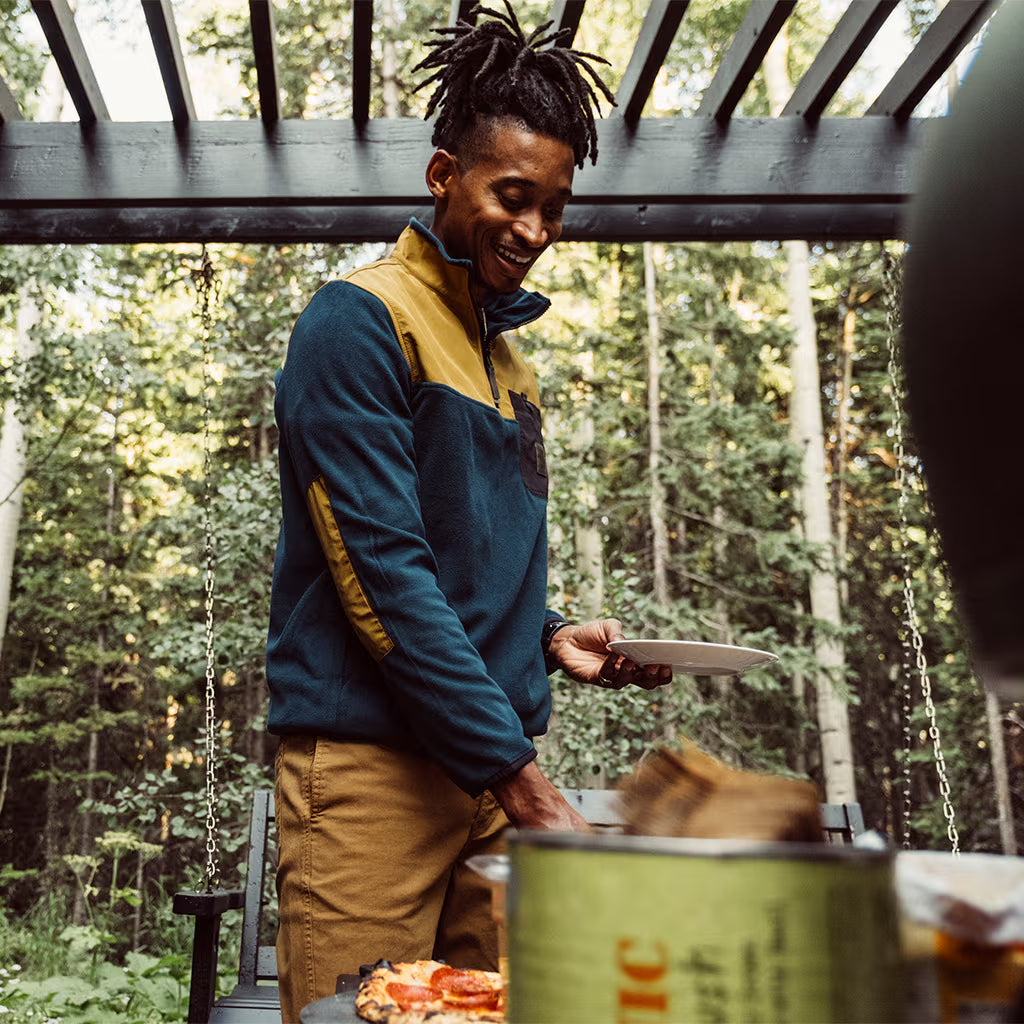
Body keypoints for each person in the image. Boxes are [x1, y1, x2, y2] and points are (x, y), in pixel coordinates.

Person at [265, 4, 672, 1018]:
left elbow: (471, 565)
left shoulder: (510, 363)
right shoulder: (358, 321)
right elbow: (384, 580)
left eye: (555, 208)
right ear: (445, 174)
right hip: (372, 777)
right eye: (513, 196)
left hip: (486, 779)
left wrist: (548, 635)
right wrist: (529, 787)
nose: (535, 231)